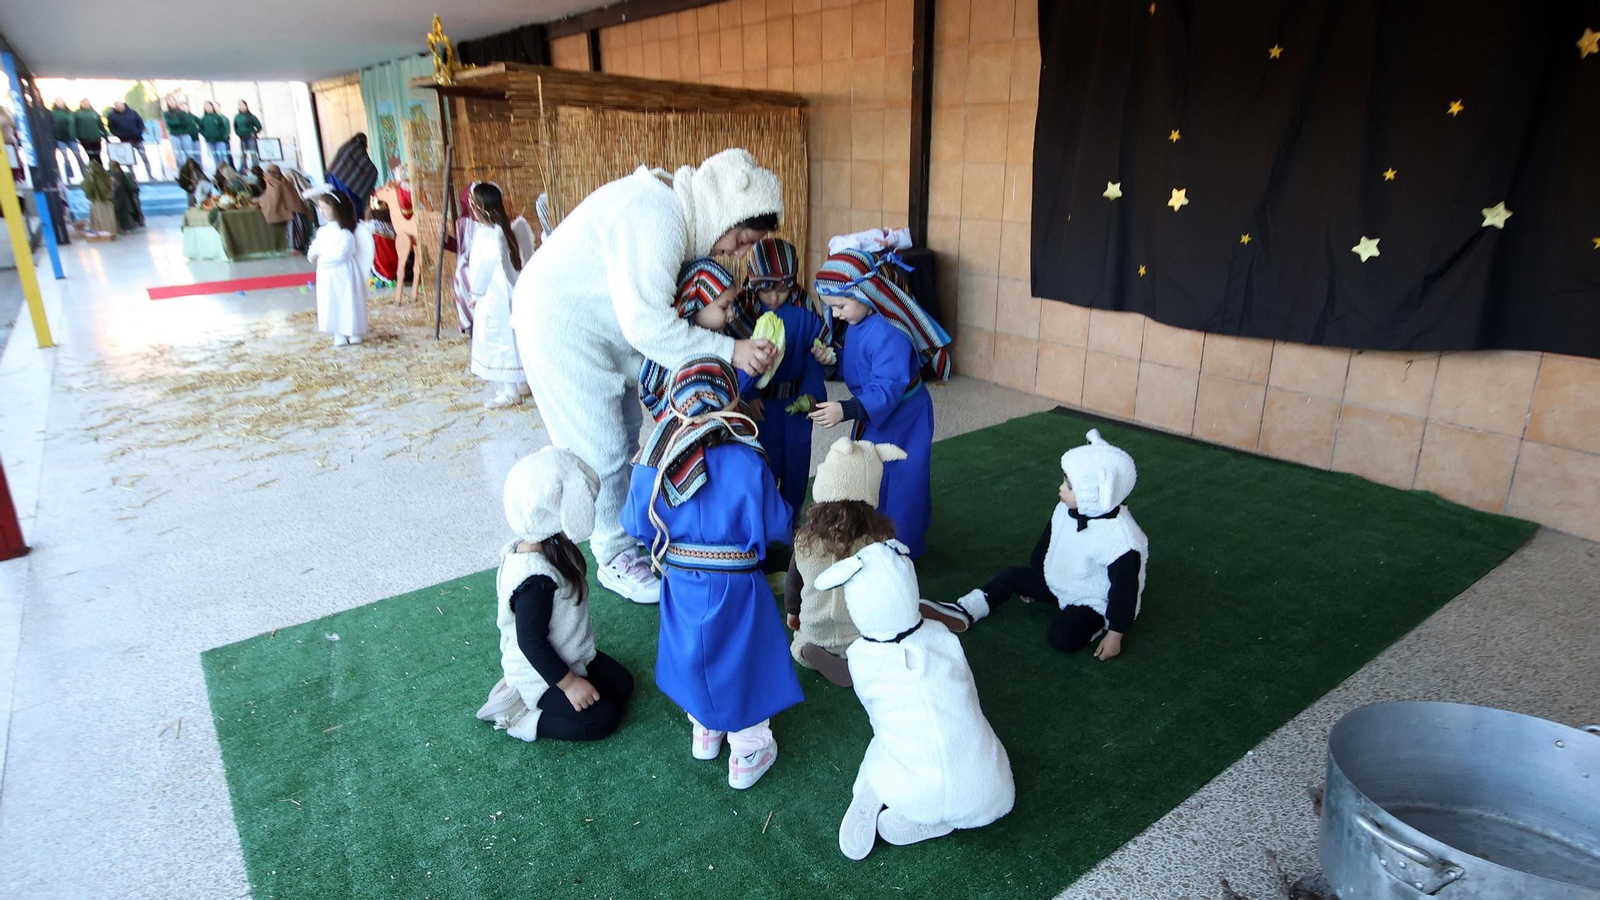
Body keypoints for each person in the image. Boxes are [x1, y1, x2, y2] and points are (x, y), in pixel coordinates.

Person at [511, 147, 785, 606]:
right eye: (740, 238)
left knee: (625, 435)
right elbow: (646, 324)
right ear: (723, 212)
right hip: (560, 325)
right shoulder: (659, 215)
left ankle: (629, 532)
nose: (738, 252)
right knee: (598, 447)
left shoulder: (670, 212)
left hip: (595, 328)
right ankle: (613, 553)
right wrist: (730, 350)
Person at [621, 358, 802, 790]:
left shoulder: (654, 458)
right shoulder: (746, 457)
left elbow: (634, 523)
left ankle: (705, 729)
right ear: (728, 400)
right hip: (738, 583)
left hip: (681, 580)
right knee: (744, 659)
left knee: (693, 652)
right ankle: (747, 749)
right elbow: (778, 526)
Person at [815, 540, 1014, 861]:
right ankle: (947, 814)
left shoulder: (862, 657)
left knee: (887, 736)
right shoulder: (941, 635)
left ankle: (875, 788)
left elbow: (878, 712)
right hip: (986, 786)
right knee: (957, 722)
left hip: (915, 788)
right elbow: (967, 690)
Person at [924, 429, 1148, 661]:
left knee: (1061, 637)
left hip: (1093, 599)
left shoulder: (1121, 540)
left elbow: (1125, 588)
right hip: (1060, 579)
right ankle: (966, 609)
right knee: (1011, 575)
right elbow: (1049, 541)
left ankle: (1100, 625)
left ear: (1095, 492)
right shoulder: (1065, 509)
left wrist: (1116, 633)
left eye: (1070, 486)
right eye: (1064, 481)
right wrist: (1037, 576)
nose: (1061, 489)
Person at [475, 447, 636, 743]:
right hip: (538, 673)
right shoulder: (535, 579)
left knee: (623, 686)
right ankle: (521, 716)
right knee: (603, 719)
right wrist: (570, 684)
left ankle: (556, 688)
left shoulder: (548, 547)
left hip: (574, 655)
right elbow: (531, 642)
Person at [809, 250, 951, 559]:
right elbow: (863, 360)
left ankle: (900, 550)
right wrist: (835, 357)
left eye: (840, 306)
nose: (835, 315)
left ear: (866, 295)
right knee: (873, 475)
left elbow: (886, 387)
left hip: (903, 418)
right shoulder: (865, 322)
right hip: (877, 414)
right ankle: (873, 538)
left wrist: (845, 409)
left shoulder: (889, 334)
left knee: (902, 481)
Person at [785, 437, 904, 687]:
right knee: (883, 641)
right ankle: (860, 661)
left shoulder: (804, 540)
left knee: (800, 640)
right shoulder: (877, 541)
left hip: (816, 628)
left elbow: (793, 584)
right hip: (859, 630)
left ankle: (808, 650)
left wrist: (792, 612)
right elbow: (888, 589)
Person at [742, 237, 833, 524]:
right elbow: (734, 358)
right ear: (753, 282)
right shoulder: (744, 309)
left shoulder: (804, 306)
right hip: (761, 408)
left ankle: (792, 521)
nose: (774, 298)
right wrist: (747, 397)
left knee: (796, 464)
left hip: (796, 404)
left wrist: (812, 394)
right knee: (763, 464)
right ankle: (763, 525)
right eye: (766, 289)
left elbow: (812, 355)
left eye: (782, 288)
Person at [637, 258, 741, 423]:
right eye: (724, 307)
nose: (732, 314)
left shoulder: (720, 338)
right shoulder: (675, 359)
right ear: (697, 303)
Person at [465, 182, 534, 409]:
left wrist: (475, 294)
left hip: (495, 299)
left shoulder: (489, 235)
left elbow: (484, 268)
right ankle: (522, 382)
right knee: (515, 340)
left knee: (501, 341)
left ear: (478, 208)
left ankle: (511, 391)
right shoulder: (509, 229)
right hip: (510, 294)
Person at [306, 189, 372, 347]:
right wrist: (312, 255)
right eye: (320, 208)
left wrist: (322, 259)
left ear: (337, 209)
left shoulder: (346, 234)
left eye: (326, 208)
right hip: (327, 276)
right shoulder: (323, 232)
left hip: (344, 273)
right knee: (332, 301)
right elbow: (314, 247)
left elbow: (342, 254)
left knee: (348, 300)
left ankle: (353, 330)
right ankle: (338, 332)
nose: (322, 212)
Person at [259, 164, 311, 250]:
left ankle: (298, 248)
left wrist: (262, 203)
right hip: (296, 211)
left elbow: (273, 201)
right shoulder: (282, 181)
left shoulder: (275, 183)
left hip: (293, 213)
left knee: (295, 236)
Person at [327, 132, 378, 218]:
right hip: (346, 184)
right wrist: (374, 174)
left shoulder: (346, 146)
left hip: (333, 177)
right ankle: (354, 224)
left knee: (338, 205)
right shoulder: (358, 148)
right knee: (352, 205)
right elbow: (370, 169)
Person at [103, 101, 153, 180]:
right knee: (129, 161)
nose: (119, 108)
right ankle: (133, 178)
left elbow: (140, 122)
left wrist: (139, 131)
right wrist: (119, 134)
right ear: (115, 107)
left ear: (123, 105)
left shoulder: (132, 112)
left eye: (120, 106)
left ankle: (150, 175)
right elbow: (111, 127)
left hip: (137, 139)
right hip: (125, 141)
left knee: (144, 157)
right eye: (117, 107)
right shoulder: (112, 116)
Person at [81, 159, 117, 234]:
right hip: (97, 203)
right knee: (100, 220)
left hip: (105, 203)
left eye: (91, 169)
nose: (91, 171)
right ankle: (103, 233)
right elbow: (87, 189)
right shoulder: (91, 179)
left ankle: (107, 234)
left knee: (106, 220)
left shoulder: (105, 178)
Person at [50, 98, 81, 180]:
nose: (60, 103)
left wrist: (76, 135)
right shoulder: (52, 113)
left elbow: (75, 124)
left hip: (71, 137)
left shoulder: (70, 113)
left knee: (78, 156)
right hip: (60, 138)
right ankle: (69, 176)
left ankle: (85, 174)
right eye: (58, 102)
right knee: (65, 158)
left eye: (61, 101)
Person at [109, 162, 143, 232]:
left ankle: (125, 227)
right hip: (125, 196)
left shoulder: (116, 175)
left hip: (120, 197)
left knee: (122, 212)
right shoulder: (122, 174)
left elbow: (117, 186)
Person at [163, 99, 199, 166]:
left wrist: (175, 122)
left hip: (185, 134)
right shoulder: (166, 114)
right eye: (169, 101)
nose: (171, 102)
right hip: (174, 135)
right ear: (167, 103)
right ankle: (182, 172)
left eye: (172, 100)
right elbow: (168, 124)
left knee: (189, 154)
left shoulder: (182, 112)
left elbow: (187, 122)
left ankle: (192, 170)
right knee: (178, 155)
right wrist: (179, 122)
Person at [199, 102, 230, 173]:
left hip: (219, 140)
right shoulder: (203, 119)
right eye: (206, 106)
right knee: (215, 157)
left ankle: (225, 171)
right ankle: (219, 172)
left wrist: (221, 135)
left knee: (221, 156)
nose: (208, 108)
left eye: (209, 106)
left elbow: (223, 127)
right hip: (209, 140)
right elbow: (200, 128)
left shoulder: (218, 117)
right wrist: (205, 134)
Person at [73, 99, 106, 167]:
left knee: (98, 155)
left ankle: (101, 171)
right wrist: (75, 136)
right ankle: (93, 172)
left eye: (87, 103)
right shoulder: (77, 113)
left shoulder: (94, 113)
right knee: (90, 156)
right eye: (84, 103)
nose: (86, 104)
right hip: (85, 138)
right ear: (81, 104)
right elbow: (74, 126)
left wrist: (105, 134)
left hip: (96, 137)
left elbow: (100, 124)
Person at [233, 101, 262, 169]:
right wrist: (238, 133)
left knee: (253, 154)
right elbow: (235, 127)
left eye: (243, 105)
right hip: (242, 138)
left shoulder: (251, 116)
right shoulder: (237, 117)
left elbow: (259, 127)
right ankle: (243, 168)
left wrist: (254, 132)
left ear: (246, 106)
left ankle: (255, 168)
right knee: (243, 155)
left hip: (251, 138)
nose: (241, 107)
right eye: (239, 105)